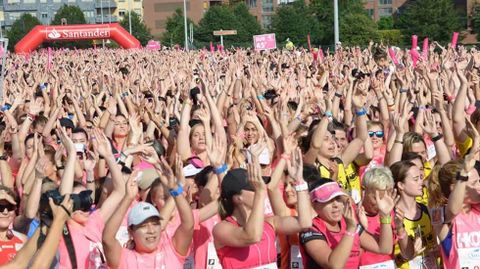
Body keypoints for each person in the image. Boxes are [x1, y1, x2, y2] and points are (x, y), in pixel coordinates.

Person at [213, 147, 311, 269]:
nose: (261, 189)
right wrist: (259, 192)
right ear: (237, 198)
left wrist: (300, 182)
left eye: (259, 187)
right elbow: (252, 236)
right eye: (253, 188)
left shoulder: (270, 223)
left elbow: (305, 223)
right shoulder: (221, 228)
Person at [102, 159, 194, 268]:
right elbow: (107, 239)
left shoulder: (172, 250)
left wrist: (174, 188)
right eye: (144, 226)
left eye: (155, 224)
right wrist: (128, 198)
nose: (151, 231)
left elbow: (188, 224)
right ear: (130, 231)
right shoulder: (124, 258)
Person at [299, 178, 396, 269]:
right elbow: (334, 265)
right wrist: (350, 230)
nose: (336, 205)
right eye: (328, 200)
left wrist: (385, 216)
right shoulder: (312, 229)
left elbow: (384, 248)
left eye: (338, 198)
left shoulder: (347, 222)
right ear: (314, 204)